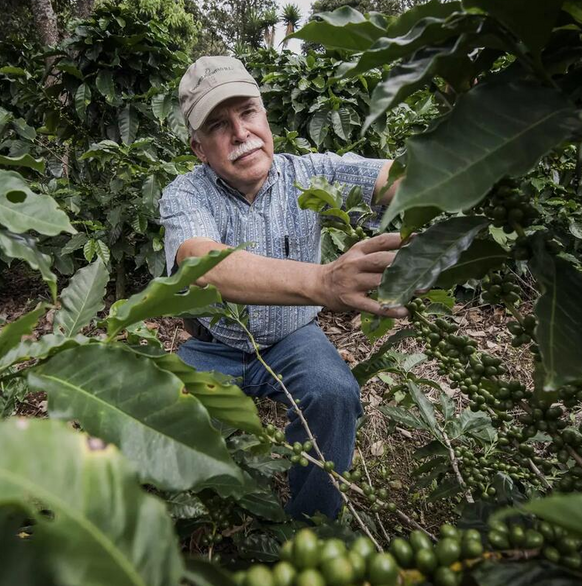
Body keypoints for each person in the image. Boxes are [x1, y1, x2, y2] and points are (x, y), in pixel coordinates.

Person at [159, 56, 406, 520]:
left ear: (265, 114)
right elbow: (201, 265)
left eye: (248, 112)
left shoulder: (309, 173)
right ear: (198, 148)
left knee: (333, 393)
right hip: (216, 346)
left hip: (294, 338)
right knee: (154, 411)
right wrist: (323, 281)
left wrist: (447, 180)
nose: (240, 133)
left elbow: (392, 178)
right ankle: (186, 519)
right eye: (218, 125)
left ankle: (313, 529)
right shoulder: (184, 194)